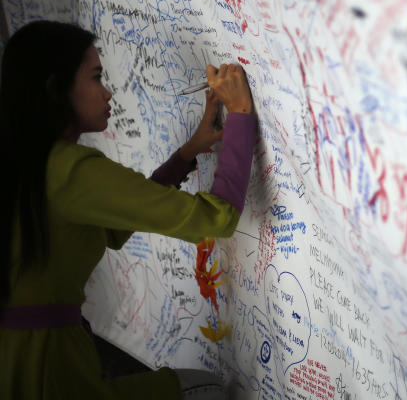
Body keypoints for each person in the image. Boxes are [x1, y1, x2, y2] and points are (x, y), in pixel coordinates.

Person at [0, 20, 257, 399]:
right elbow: (216, 219)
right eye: (95, 78)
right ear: (56, 89)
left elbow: (113, 231)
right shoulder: (69, 169)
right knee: (208, 390)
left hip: (16, 361)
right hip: (48, 370)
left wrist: (185, 155)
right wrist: (240, 114)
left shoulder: (26, 161)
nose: (107, 94)